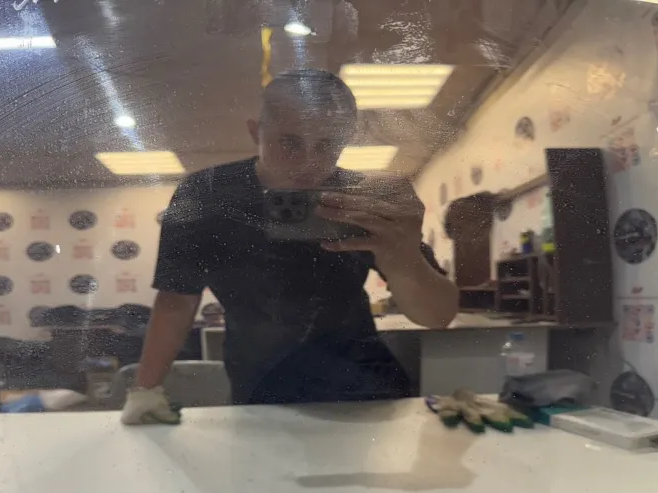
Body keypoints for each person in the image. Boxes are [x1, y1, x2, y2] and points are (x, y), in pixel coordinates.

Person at [121, 69, 458, 424]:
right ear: (256, 133)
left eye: (326, 145)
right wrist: (145, 390)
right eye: (291, 142)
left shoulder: (362, 199)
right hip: (262, 385)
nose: (309, 162)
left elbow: (437, 316)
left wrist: (403, 256)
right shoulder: (206, 195)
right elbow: (176, 300)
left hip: (363, 386)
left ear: (345, 141)